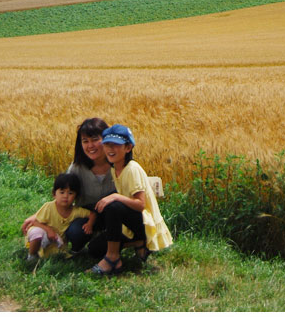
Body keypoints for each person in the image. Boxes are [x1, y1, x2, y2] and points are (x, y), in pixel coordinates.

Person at [22, 118, 115, 256]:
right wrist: (37, 216)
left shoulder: (118, 164)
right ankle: (94, 240)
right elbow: (63, 191)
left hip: (114, 214)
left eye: (95, 139)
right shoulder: (77, 167)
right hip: (85, 213)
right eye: (85, 141)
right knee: (75, 232)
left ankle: (119, 242)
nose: (90, 145)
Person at [89, 124, 173, 276]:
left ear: (128, 148)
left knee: (113, 206)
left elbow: (140, 205)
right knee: (94, 248)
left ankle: (113, 258)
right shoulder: (115, 168)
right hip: (132, 220)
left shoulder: (132, 169)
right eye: (107, 144)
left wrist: (115, 196)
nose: (110, 149)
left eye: (116, 145)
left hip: (145, 221)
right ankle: (139, 243)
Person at [25, 173, 96, 261]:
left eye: (70, 193)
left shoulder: (76, 211)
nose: (65, 196)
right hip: (43, 234)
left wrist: (89, 224)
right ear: (54, 194)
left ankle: (48, 253)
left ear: (76, 196)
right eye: (62, 192)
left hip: (57, 241)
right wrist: (49, 230)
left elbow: (92, 214)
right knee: (36, 233)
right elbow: (35, 222)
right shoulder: (49, 207)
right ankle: (32, 256)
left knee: (56, 256)